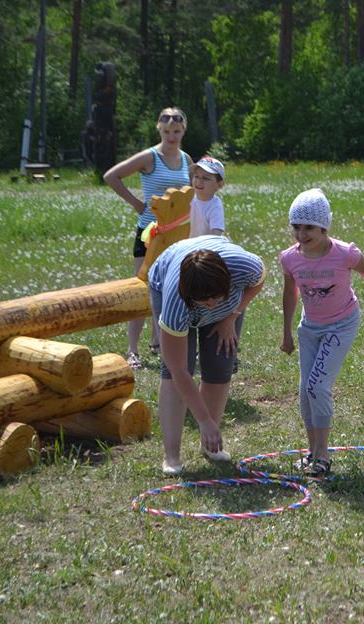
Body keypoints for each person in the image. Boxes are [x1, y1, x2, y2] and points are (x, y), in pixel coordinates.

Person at [280, 189, 364, 476]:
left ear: (324, 227)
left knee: (317, 386)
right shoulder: (290, 259)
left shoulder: (343, 253)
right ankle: (313, 450)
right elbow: (290, 295)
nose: (301, 234)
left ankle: (324, 455)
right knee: (305, 391)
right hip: (310, 327)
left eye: (309, 228)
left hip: (342, 324)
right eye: (296, 227)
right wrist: (287, 332)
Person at [148, 236, 266, 475]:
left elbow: (259, 281)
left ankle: (210, 445)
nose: (211, 304)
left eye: (216, 297)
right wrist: (203, 420)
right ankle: (171, 456)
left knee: (220, 364)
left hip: (228, 305)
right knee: (173, 372)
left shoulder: (245, 267)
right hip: (166, 273)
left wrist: (231, 316)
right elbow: (178, 369)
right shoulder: (176, 302)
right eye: (204, 300)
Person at [104, 107, 193, 369]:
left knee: (171, 288)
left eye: (176, 131)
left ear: (183, 130)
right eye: (167, 132)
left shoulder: (186, 159)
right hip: (149, 233)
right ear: (159, 129)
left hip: (177, 233)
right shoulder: (150, 157)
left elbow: (191, 193)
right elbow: (112, 176)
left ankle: (160, 343)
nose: (172, 137)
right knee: (142, 289)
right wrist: (136, 203)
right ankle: (132, 351)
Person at [189, 156, 226, 237]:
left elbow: (216, 235)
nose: (199, 181)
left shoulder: (215, 205)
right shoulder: (189, 198)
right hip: (185, 246)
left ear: (220, 184)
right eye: (196, 176)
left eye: (206, 178)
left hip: (204, 247)